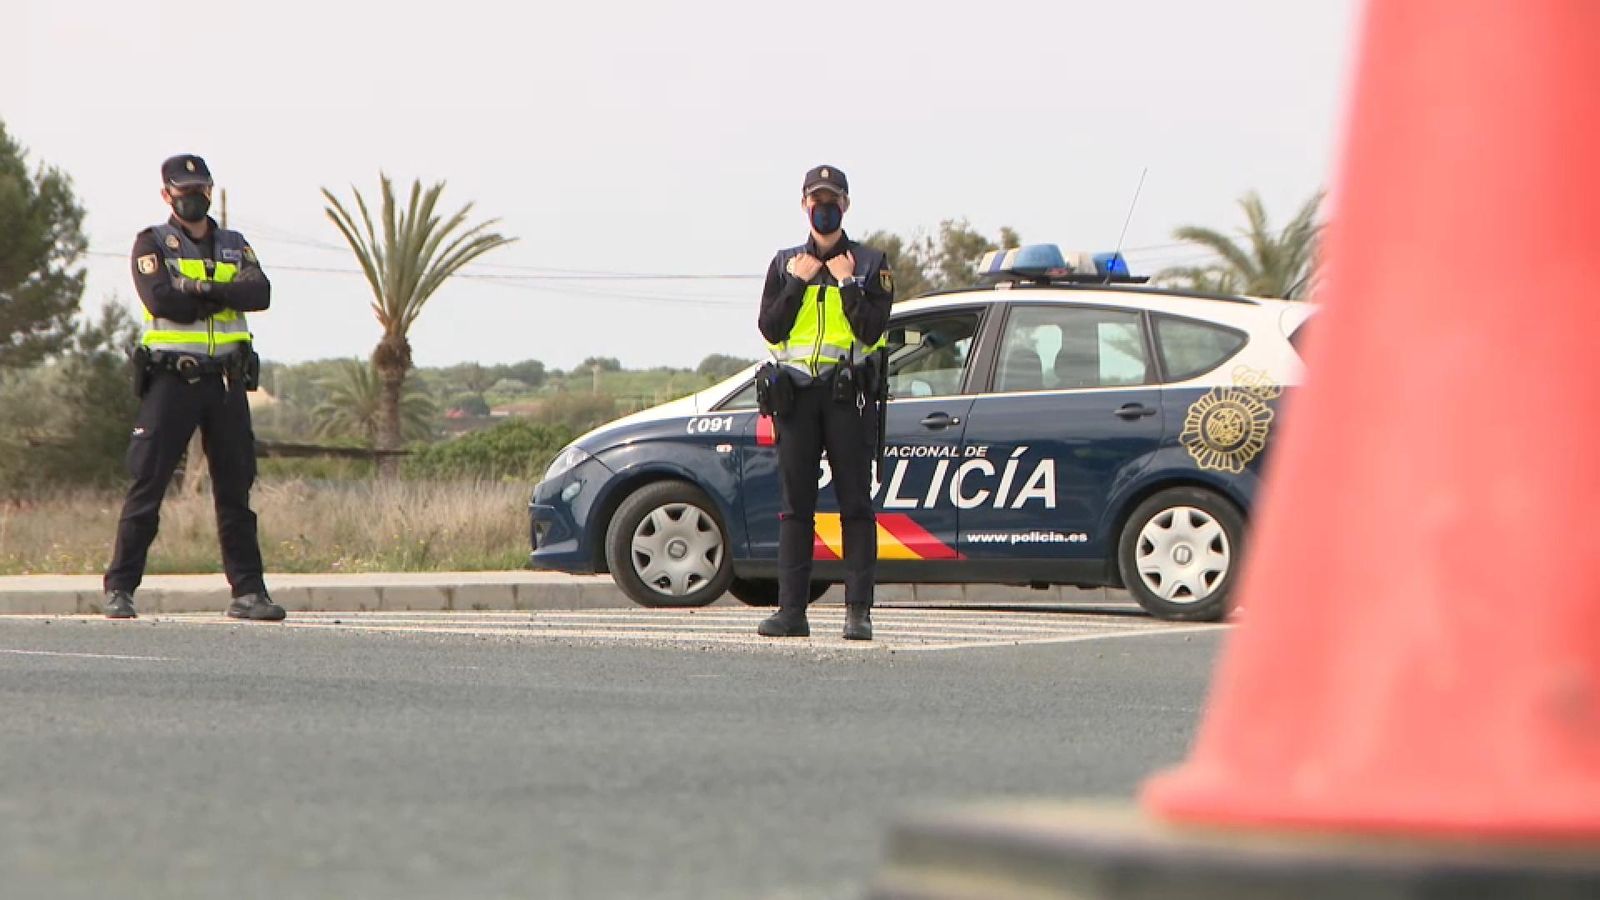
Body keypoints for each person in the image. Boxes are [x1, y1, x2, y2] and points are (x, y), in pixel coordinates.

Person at [102, 154, 283, 621]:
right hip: (172, 381)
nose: (193, 196)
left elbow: (260, 294)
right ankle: (120, 588)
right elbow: (162, 300)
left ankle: (248, 593)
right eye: (183, 189)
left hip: (225, 382)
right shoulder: (153, 243)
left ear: (211, 189)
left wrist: (199, 290)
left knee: (235, 491)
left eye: (200, 187)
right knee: (148, 486)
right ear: (167, 194)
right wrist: (221, 293)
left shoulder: (233, 244)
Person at [756, 164, 894, 640]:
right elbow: (771, 329)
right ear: (803, 206)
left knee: (855, 505)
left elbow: (872, 330)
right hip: (795, 398)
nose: (823, 207)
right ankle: (791, 611)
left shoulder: (872, 263)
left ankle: (858, 612)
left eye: (832, 199)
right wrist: (797, 283)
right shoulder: (783, 264)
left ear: (846, 205)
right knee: (796, 509)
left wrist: (849, 284)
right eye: (816, 199)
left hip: (846, 398)